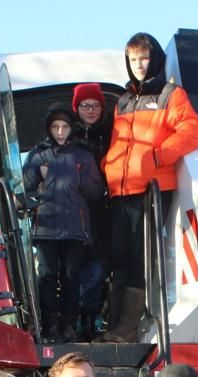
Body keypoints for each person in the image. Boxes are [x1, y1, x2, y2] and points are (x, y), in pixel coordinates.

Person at [100, 32, 198, 342]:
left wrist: (158, 155)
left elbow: (192, 131)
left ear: (154, 58)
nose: (139, 65)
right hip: (120, 192)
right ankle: (114, 324)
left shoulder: (171, 95)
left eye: (144, 58)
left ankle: (129, 328)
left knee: (139, 260)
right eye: (133, 60)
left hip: (151, 191)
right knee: (118, 258)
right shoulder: (123, 101)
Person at [22, 103, 105, 342]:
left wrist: (78, 180)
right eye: (56, 127)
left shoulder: (82, 155)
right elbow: (24, 189)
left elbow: (95, 191)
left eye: (65, 127)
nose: (60, 132)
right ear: (49, 128)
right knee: (47, 276)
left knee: (71, 277)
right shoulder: (37, 155)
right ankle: (49, 325)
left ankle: (69, 325)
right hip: (45, 227)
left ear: (71, 128)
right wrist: (39, 185)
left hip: (75, 229)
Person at [71, 82, 114, 340]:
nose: (90, 110)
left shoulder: (111, 134)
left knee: (98, 268)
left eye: (95, 105)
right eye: (85, 105)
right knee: (74, 269)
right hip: (74, 214)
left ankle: (93, 316)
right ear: (77, 108)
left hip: (102, 211)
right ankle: (77, 318)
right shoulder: (68, 137)